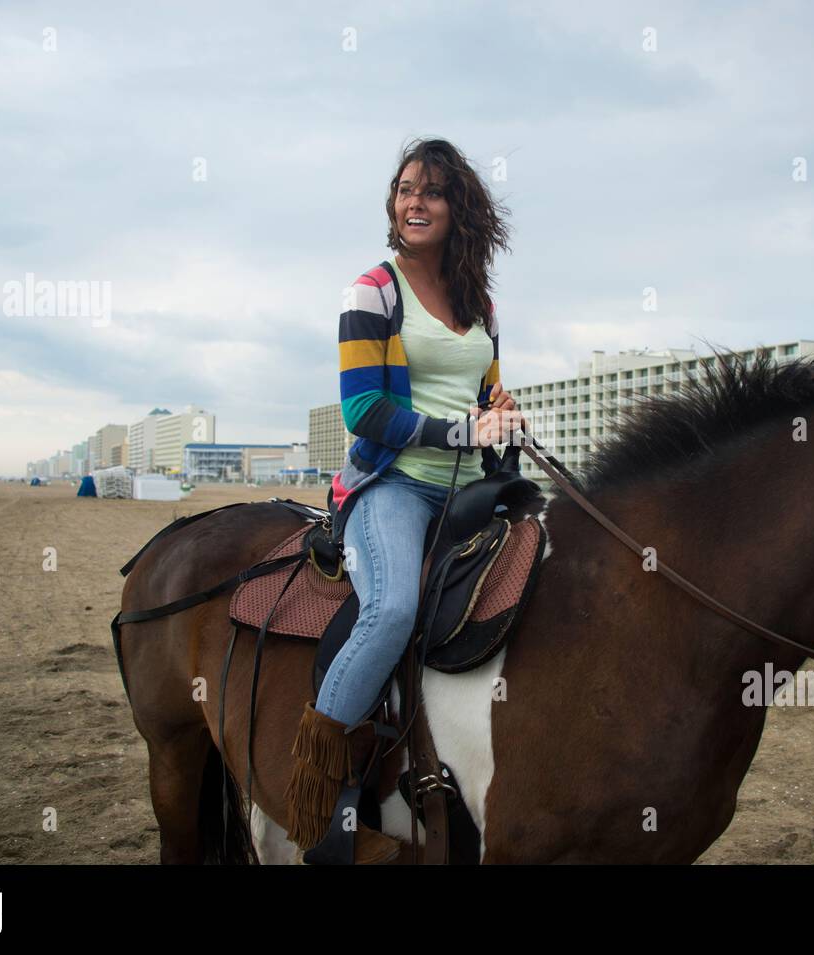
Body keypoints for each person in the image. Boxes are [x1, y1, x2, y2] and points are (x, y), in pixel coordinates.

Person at [282, 138, 527, 863]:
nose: (415, 202)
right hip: (391, 485)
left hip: (467, 488)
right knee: (391, 608)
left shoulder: (478, 302)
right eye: (405, 189)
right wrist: (463, 427)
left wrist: (501, 417)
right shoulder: (373, 289)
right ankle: (320, 788)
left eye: (433, 191)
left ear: (460, 210)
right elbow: (363, 411)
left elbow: (484, 393)